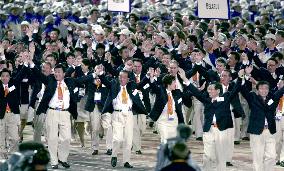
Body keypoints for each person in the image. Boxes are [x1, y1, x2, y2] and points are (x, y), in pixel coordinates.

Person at [28, 60, 95, 169]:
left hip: (65, 113)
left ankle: (62, 158)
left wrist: (95, 74)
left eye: (59, 72)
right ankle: (54, 161)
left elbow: (82, 79)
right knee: (52, 138)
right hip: (52, 112)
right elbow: (39, 74)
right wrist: (31, 63)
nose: (56, 74)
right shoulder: (50, 80)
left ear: (64, 74)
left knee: (66, 138)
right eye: (55, 72)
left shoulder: (69, 82)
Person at [182, 66, 245, 171]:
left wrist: (240, 77)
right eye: (208, 89)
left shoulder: (225, 97)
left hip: (221, 130)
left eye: (211, 89)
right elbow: (196, 92)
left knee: (221, 155)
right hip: (209, 130)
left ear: (218, 90)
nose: (209, 91)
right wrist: (184, 79)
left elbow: (236, 89)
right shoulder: (206, 100)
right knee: (207, 155)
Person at [98, 69, 148, 168]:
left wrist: (147, 76)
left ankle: (126, 161)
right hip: (117, 114)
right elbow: (105, 82)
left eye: (124, 77)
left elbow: (141, 85)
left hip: (129, 114)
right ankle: (114, 155)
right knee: (118, 139)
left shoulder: (132, 85)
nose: (121, 79)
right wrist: (101, 74)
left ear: (128, 79)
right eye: (120, 77)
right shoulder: (114, 85)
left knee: (128, 140)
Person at [241, 66, 284, 171]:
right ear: (257, 89)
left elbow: (281, 90)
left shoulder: (273, 98)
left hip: (270, 131)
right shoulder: (252, 97)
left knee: (272, 156)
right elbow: (242, 88)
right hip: (256, 131)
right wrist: (245, 75)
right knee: (257, 157)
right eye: (261, 88)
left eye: (266, 88)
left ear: (269, 89)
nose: (264, 90)